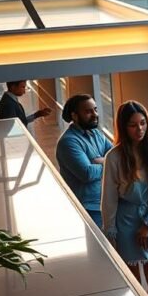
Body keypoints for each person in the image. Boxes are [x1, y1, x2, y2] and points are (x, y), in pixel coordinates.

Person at [101, 100, 148, 296]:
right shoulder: (114, 157)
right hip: (126, 220)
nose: (139, 129)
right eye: (133, 125)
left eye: (143, 123)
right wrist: (110, 233)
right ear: (123, 127)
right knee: (134, 286)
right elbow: (109, 198)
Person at [55, 94, 112, 227]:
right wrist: (109, 163)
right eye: (88, 111)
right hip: (88, 209)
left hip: (106, 202)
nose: (94, 114)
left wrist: (101, 161)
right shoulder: (68, 142)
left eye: (95, 109)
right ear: (74, 116)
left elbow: (118, 156)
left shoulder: (96, 133)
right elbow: (87, 173)